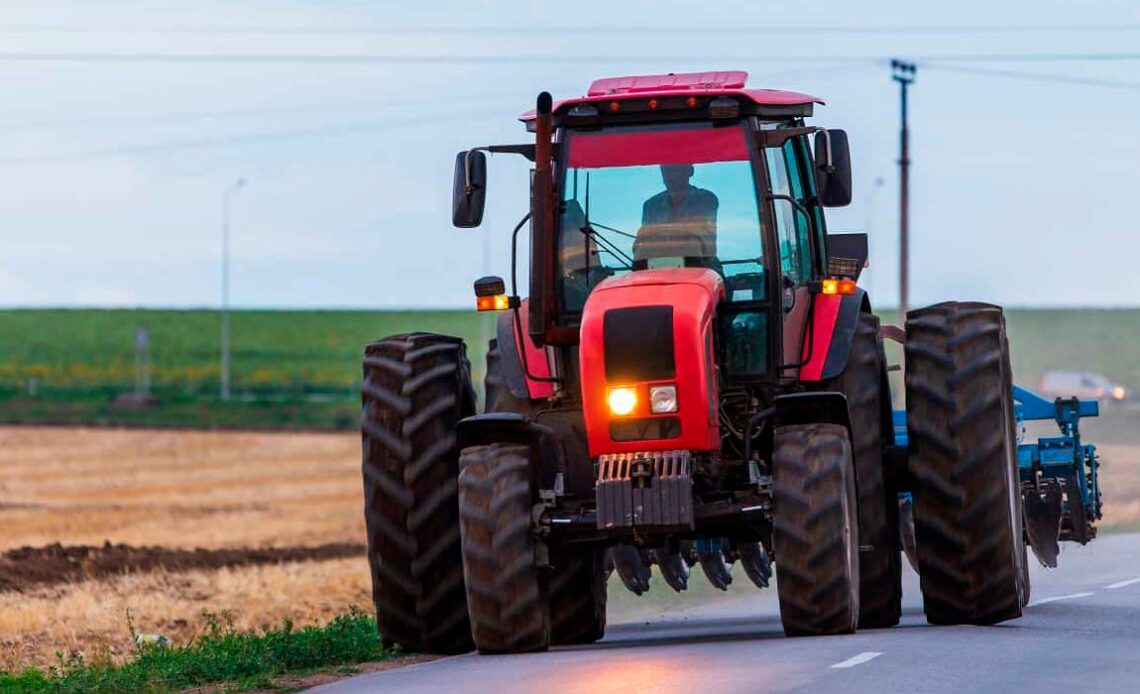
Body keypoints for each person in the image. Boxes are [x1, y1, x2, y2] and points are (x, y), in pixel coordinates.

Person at [633, 164, 719, 267]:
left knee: (691, 246)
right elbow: (642, 239)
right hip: (656, 268)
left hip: (703, 268)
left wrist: (654, 232)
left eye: (676, 170)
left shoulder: (705, 199)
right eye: (666, 171)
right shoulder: (651, 205)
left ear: (690, 171)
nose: (671, 176)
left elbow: (696, 232)